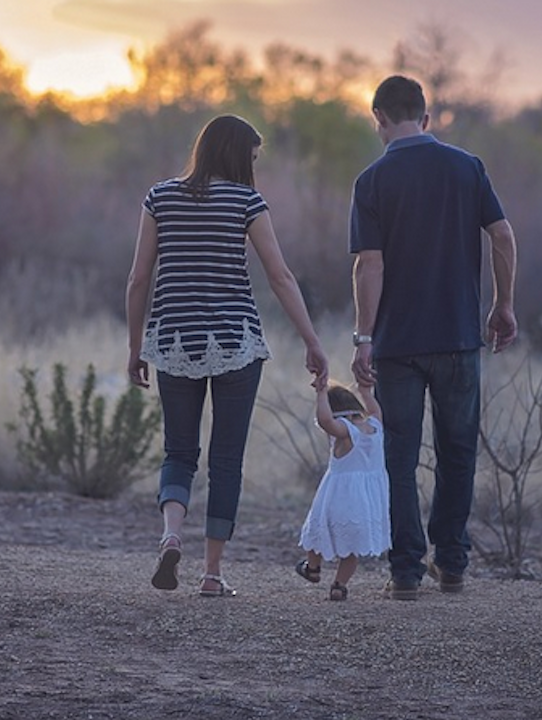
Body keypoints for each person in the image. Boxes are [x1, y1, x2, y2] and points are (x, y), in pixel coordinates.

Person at [126, 114, 328, 598]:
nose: (254, 167)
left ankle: (171, 534)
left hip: (173, 340)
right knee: (226, 460)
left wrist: (136, 348)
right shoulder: (246, 202)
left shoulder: (160, 197)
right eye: (253, 158)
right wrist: (312, 340)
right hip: (236, 342)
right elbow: (280, 277)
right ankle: (212, 574)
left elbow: (138, 279)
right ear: (238, 156)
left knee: (178, 451)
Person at [348, 76, 518, 601]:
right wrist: (503, 304)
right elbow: (503, 235)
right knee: (458, 451)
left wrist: (363, 336)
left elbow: (368, 265)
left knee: (399, 456)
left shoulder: (372, 180)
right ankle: (452, 562)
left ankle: (405, 572)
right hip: (459, 337)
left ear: (378, 117)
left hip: (398, 344)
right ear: (426, 116)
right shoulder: (467, 167)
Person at [295, 380, 391, 601]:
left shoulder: (345, 431)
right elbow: (375, 409)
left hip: (339, 497)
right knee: (351, 548)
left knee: (317, 532)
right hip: (366, 502)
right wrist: (366, 392)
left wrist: (320, 394)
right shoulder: (375, 426)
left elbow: (325, 420)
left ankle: (313, 567)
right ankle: (339, 586)